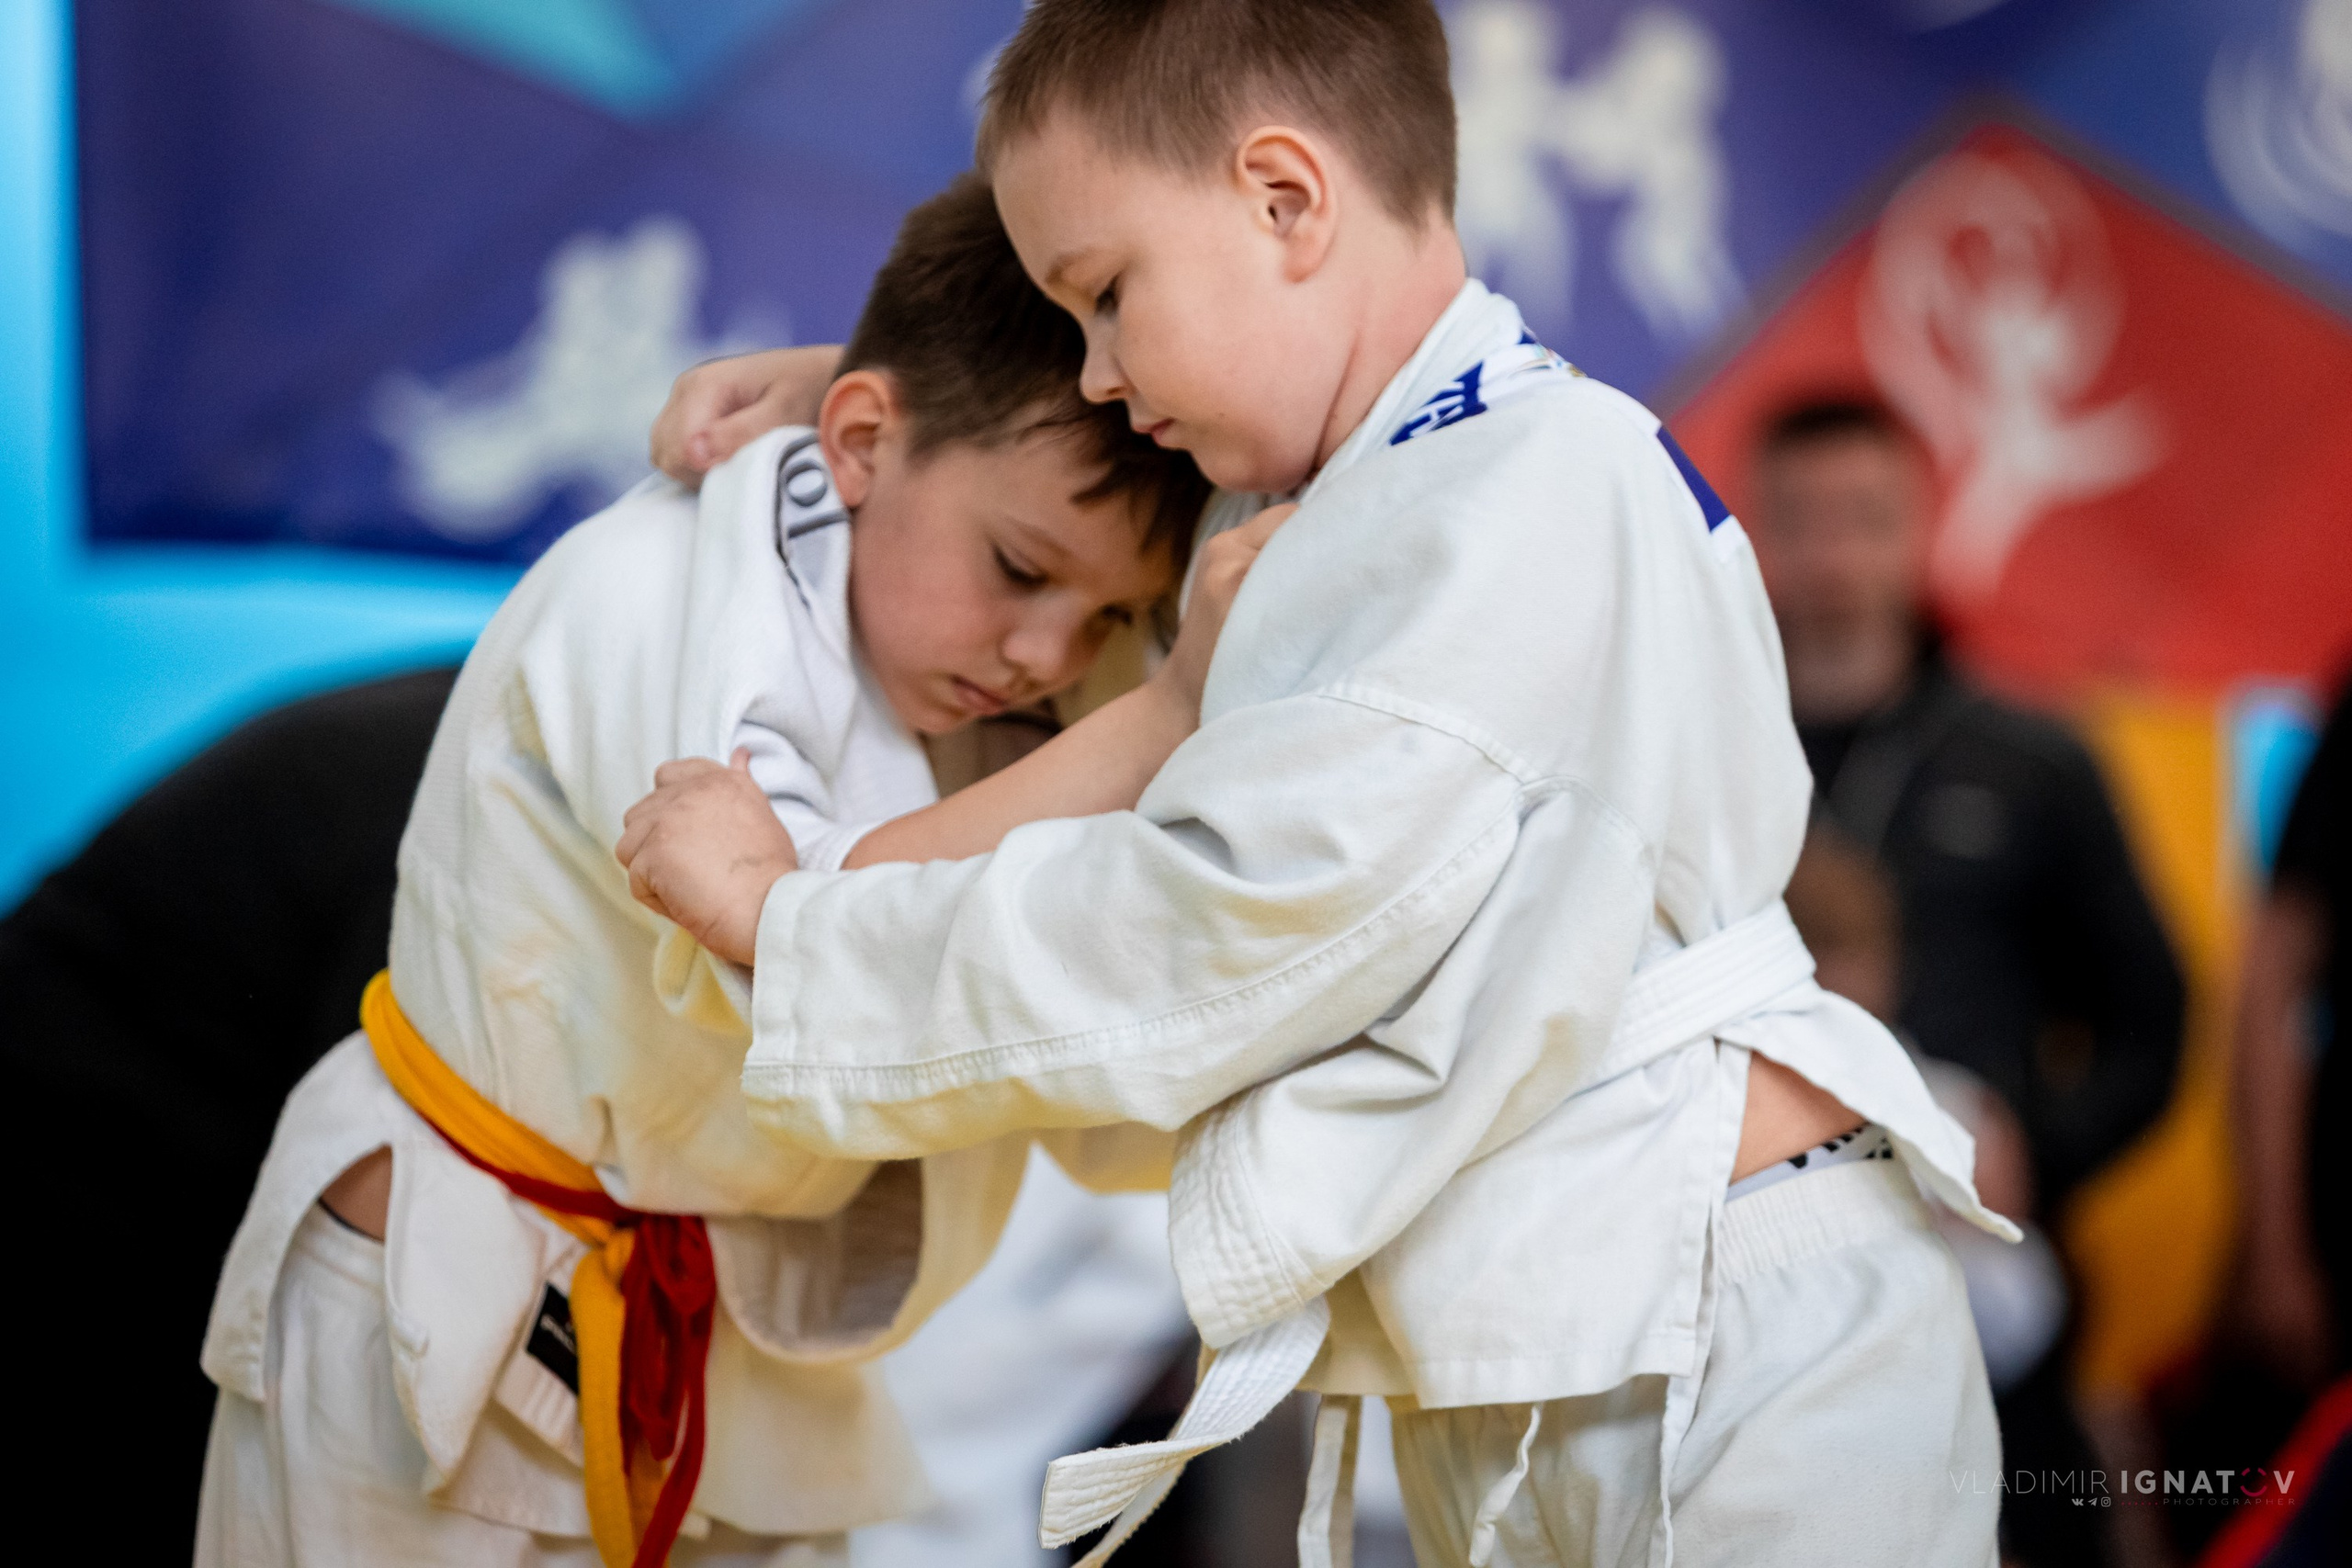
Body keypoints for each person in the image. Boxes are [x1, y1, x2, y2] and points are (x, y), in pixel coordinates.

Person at [619, 5, 2016, 1564]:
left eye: (1103, 298)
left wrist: (791, 922)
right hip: (1602, 1321)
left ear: (1285, 201)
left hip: (1734, 1342)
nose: (1096, 368)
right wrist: (883, 393)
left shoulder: (1511, 495)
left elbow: (1220, 921)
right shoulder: (1419, 476)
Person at [195, 174, 1247, 1568]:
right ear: (861, 440)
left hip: (717, 1319)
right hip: (456, 1274)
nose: (1049, 655)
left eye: (1107, 615)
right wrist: (1154, 724)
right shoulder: (675, 596)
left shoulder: (959, 625)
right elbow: (813, 959)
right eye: (1019, 569)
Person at [1746, 398, 2185, 1217]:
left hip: (1974, 1233)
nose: (1833, 556)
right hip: (1750, 1224)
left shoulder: (2033, 759)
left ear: (1924, 526)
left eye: (1867, 519)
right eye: (1800, 521)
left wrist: (2033, 1157)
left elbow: (2151, 1016)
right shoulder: (1698, 752)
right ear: (1754, 535)